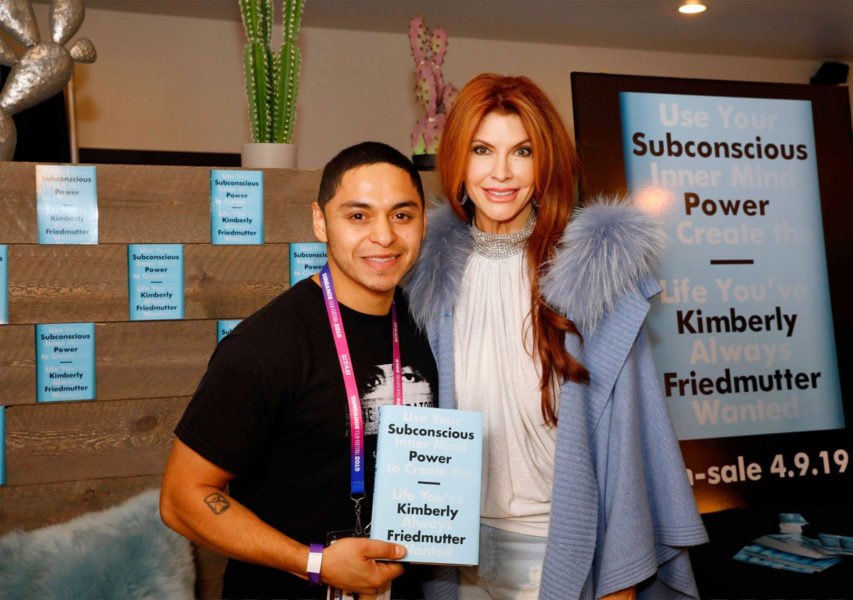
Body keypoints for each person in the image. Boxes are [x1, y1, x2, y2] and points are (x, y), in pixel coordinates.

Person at [404, 74, 708, 600]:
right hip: (450, 551)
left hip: (557, 549)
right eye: (482, 149)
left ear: (544, 163)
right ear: (456, 161)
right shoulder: (421, 276)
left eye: (521, 151)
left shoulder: (594, 275)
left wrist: (620, 581)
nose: (501, 172)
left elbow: (627, 441)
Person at [160, 142, 438, 599]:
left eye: (402, 215)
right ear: (319, 220)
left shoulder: (425, 325)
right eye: (358, 216)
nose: (384, 236)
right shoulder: (264, 346)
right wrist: (315, 564)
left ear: (423, 221)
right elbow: (181, 498)